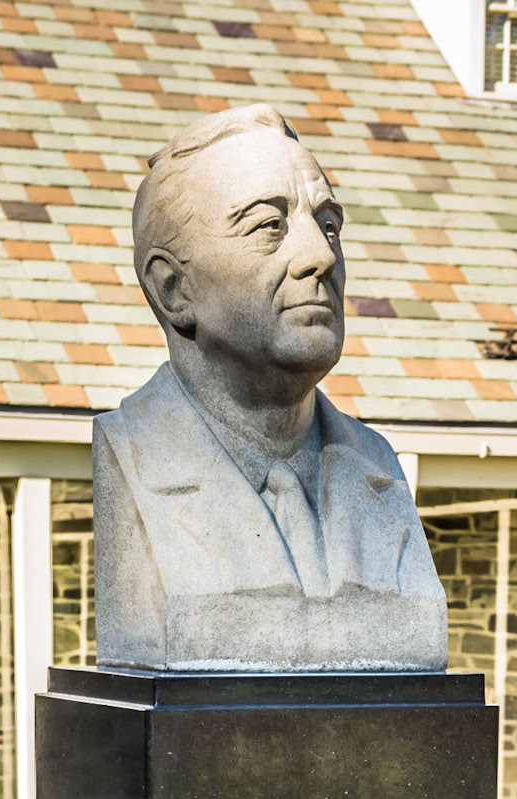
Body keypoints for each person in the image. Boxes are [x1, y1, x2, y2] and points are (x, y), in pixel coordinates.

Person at [93, 103, 447, 673]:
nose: (320, 256)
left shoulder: (376, 465)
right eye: (268, 226)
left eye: (328, 224)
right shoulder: (138, 453)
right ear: (173, 289)